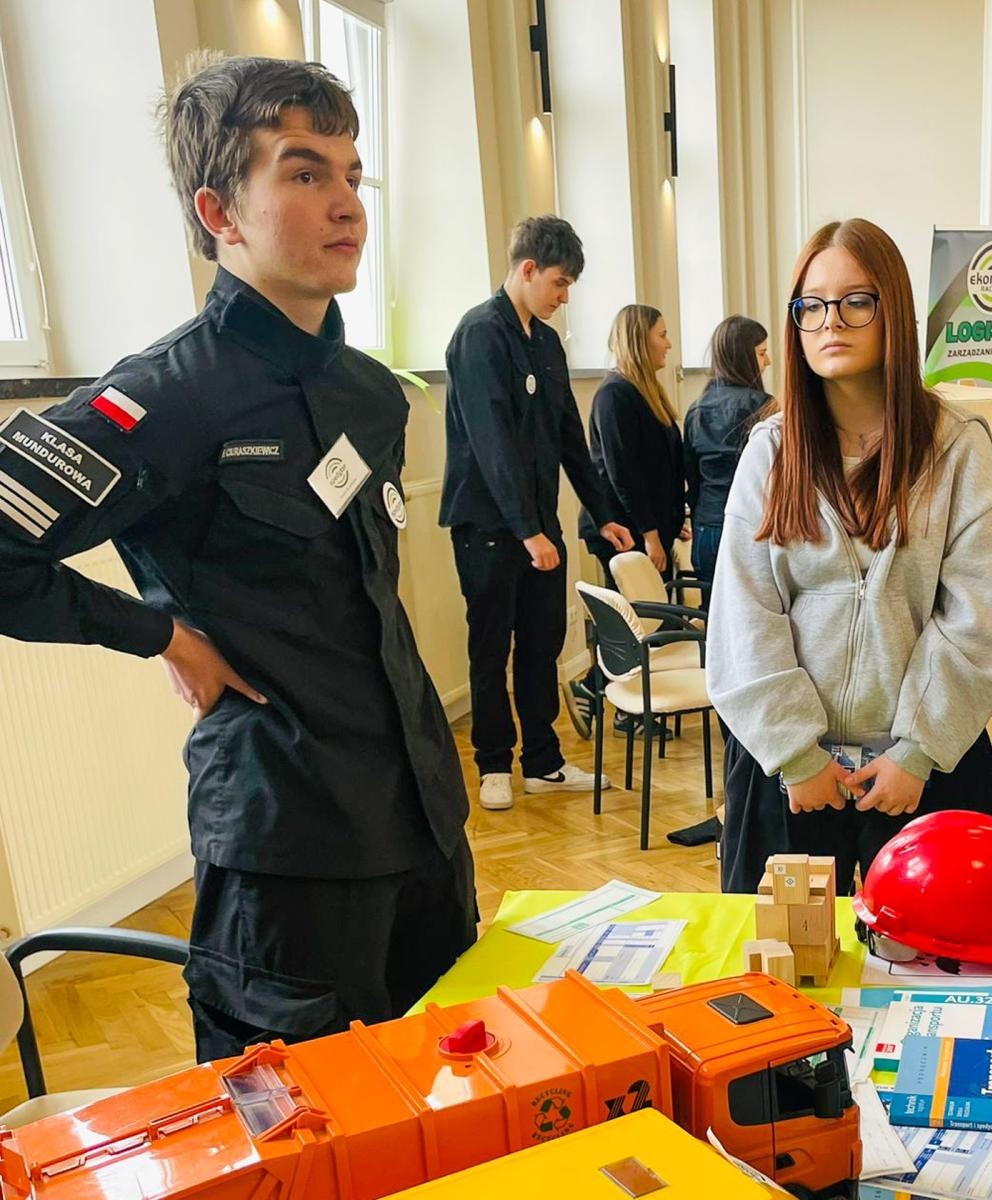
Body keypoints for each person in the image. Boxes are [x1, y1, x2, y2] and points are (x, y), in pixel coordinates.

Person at [0, 56, 476, 1057]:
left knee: (449, 1112)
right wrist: (159, 633)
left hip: (421, 821)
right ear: (220, 211)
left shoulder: (369, 394)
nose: (346, 202)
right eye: (304, 174)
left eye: (352, 173)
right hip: (286, 846)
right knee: (300, 1143)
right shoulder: (166, 395)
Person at [707, 217, 992, 895]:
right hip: (787, 772)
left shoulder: (957, 448)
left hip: (919, 770)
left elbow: (976, 617)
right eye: (809, 305)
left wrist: (917, 751)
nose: (828, 321)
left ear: (891, 310)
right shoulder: (771, 451)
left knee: (930, 972)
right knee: (781, 975)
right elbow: (743, 614)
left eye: (854, 300)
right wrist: (794, 754)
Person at [441, 217, 631, 812]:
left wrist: (602, 513)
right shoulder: (479, 335)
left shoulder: (545, 343)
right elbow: (491, 441)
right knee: (490, 646)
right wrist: (525, 531)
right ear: (527, 270)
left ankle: (543, 762)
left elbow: (569, 437)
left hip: (538, 524)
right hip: (488, 526)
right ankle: (494, 763)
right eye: (559, 282)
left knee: (543, 641)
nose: (564, 296)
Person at [579, 305, 687, 582]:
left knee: (657, 612)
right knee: (638, 618)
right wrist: (649, 534)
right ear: (641, 340)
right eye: (662, 335)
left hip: (648, 526)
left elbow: (661, 463)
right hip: (627, 530)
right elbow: (623, 472)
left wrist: (674, 519)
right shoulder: (615, 395)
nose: (669, 344)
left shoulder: (646, 391)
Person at [683, 315, 771, 590]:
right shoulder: (765, 408)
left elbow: (691, 479)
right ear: (743, 356)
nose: (767, 361)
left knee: (712, 619)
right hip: (751, 528)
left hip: (707, 527)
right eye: (762, 353)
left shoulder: (696, 409)